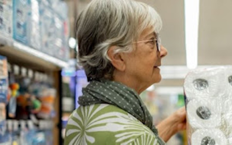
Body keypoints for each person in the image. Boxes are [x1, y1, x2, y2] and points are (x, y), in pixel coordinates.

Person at [63, 0, 187, 144]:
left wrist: (174, 121)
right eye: (152, 42)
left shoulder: (79, 119)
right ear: (118, 57)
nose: (163, 51)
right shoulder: (136, 137)